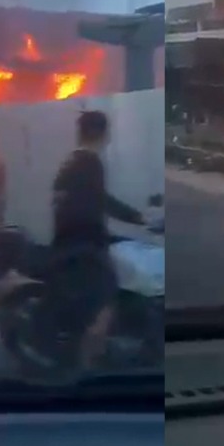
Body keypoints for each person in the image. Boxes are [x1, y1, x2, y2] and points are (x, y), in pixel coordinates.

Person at [51, 109, 145, 373]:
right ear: (101, 134)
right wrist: (136, 217)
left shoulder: (71, 161)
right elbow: (100, 202)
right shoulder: (91, 163)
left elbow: (89, 201)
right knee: (108, 297)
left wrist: (131, 218)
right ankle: (88, 364)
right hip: (85, 246)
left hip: (67, 242)